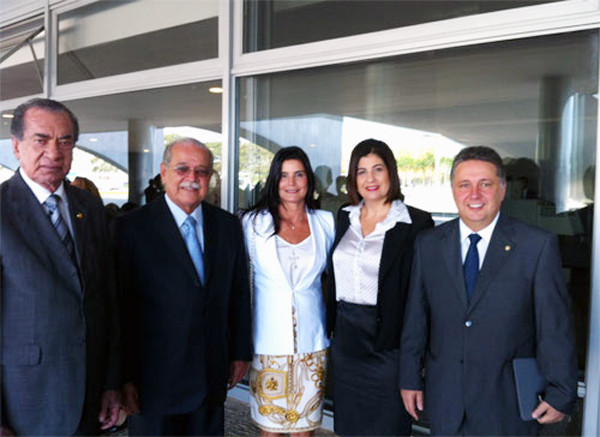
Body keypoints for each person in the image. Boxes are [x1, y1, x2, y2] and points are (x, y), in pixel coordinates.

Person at [399, 146, 578, 435]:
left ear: (503, 189)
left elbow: (554, 326)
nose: (474, 195)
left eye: (485, 184)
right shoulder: (428, 244)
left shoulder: (536, 246)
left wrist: (561, 392)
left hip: (506, 400)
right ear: (454, 191)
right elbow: (416, 318)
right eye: (464, 185)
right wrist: (409, 377)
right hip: (446, 396)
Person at [115, 137, 252, 436]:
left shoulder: (228, 226)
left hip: (209, 375)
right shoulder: (130, 228)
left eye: (202, 171)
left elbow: (239, 292)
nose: (193, 178)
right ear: (164, 173)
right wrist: (122, 378)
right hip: (153, 383)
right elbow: (120, 308)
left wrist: (241, 352)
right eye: (183, 169)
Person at [0, 98, 121, 435]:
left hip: (88, 395)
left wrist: (111, 383)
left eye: (65, 141)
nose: (54, 153)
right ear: (16, 146)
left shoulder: (90, 206)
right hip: (24, 401)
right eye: (41, 140)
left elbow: (106, 300)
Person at [326, 138, 433, 436]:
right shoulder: (344, 217)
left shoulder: (416, 223)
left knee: (388, 427)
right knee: (349, 427)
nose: (370, 179)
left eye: (377, 169)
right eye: (361, 171)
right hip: (347, 342)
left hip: (389, 345)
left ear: (391, 173)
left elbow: (421, 296)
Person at [242, 147, 334, 436]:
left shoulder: (326, 223)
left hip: (312, 344)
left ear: (309, 180)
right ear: (274, 180)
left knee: (304, 428)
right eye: (283, 175)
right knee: (270, 428)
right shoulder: (252, 224)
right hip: (268, 343)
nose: (291, 183)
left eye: (298, 174)